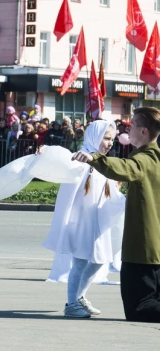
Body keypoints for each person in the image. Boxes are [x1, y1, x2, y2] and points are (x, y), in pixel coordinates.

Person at [72, 107, 160, 323]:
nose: (127, 130)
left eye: (132, 126)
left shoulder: (145, 159)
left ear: (144, 131)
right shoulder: (155, 158)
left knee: (139, 309)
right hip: (153, 249)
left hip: (142, 251)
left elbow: (125, 167)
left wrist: (95, 158)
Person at [45, 120, 124, 318]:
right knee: (80, 262)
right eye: (106, 138)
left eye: (112, 139)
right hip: (81, 221)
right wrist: (43, 151)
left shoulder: (99, 160)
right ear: (94, 137)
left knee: (99, 260)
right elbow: (60, 160)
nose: (110, 143)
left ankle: (80, 297)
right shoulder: (81, 158)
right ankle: (71, 303)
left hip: (96, 221)